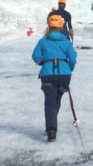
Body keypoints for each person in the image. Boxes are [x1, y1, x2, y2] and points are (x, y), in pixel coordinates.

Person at [32, 14, 77, 142]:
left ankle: (51, 130)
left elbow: (35, 56)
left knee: (50, 102)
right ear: (61, 26)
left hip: (48, 74)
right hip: (64, 74)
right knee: (56, 100)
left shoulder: (43, 41)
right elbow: (73, 58)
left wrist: (44, 63)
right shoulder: (66, 42)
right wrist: (69, 68)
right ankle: (52, 123)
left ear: (49, 26)